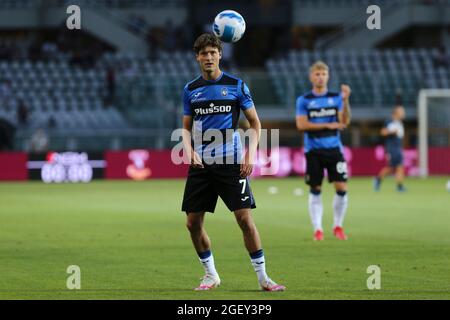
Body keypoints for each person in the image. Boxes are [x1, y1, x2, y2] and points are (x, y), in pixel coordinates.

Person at [181, 33, 285, 292]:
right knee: (192, 223)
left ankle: (264, 278)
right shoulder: (190, 90)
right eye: (203, 53)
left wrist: (250, 153)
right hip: (201, 164)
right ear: (198, 57)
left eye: (212, 53)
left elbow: (255, 123)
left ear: (220, 55)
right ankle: (211, 275)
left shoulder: (236, 85)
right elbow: (185, 128)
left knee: (244, 219)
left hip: (231, 162)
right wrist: (188, 149)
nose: (208, 57)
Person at [295, 61, 352, 241]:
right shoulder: (304, 100)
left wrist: (345, 100)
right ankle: (318, 229)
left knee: (342, 187)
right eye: (317, 74)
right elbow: (301, 125)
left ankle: (338, 226)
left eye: (323, 74)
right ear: (311, 77)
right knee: (315, 188)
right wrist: (328, 124)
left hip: (334, 149)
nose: (320, 77)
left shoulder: (336, 98)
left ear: (328, 76)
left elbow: (344, 122)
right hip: (314, 151)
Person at [374, 105, 406, 192]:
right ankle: (378, 179)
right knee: (390, 168)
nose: (403, 113)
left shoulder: (399, 123)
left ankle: (399, 186)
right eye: (402, 111)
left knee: (399, 166)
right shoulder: (389, 121)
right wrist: (392, 131)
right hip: (391, 148)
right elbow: (383, 132)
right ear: (396, 112)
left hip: (398, 148)